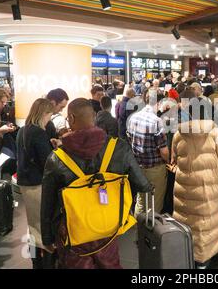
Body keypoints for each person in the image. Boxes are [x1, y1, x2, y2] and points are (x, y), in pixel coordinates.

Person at [41, 98, 153, 269]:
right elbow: (143, 185)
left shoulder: (57, 158)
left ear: (70, 118)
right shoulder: (119, 147)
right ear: (94, 116)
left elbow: (47, 203)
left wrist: (47, 238)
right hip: (108, 226)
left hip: (73, 232)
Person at [171, 107, 218, 269]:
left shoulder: (178, 134)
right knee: (205, 223)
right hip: (207, 186)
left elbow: (174, 158)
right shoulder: (215, 133)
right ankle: (203, 261)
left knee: (186, 218)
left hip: (184, 185)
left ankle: (185, 252)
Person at [16, 98, 58, 269]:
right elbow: (47, 162)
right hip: (37, 184)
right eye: (50, 114)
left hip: (26, 183)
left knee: (33, 226)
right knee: (43, 226)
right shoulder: (38, 132)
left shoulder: (23, 130)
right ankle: (43, 264)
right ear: (44, 113)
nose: (50, 118)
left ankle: (36, 262)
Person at [127, 89, 169, 216]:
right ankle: (150, 234)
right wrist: (168, 161)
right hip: (155, 170)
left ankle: (138, 232)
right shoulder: (157, 121)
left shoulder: (133, 118)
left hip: (138, 168)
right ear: (159, 102)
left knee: (140, 202)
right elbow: (164, 151)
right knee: (154, 205)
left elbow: (129, 140)